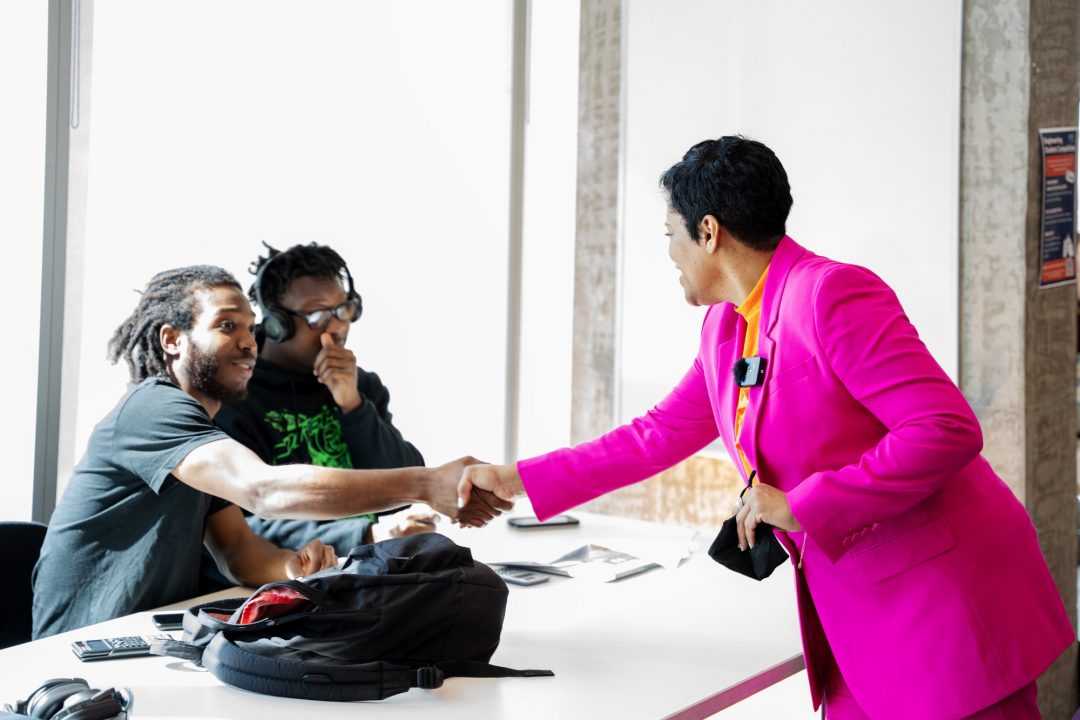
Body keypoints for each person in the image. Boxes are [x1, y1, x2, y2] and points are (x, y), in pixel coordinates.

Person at [458, 137, 1073, 719]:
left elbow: (944, 428)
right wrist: (511, 479)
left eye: (670, 235)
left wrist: (805, 504)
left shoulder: (832, 294)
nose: (669, 254)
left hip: (943, 613)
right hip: (860, 622)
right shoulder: (725, 329)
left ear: (709, 232)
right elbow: (654, 436)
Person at [33, 266, 504, 638]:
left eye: (251, 328)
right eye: (226, 325)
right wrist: (424, 485)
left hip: (146, 642)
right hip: (75, 657)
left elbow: (237, 549)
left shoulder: (201, 432)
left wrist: (291, 566)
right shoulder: (152, 408)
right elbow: (263, 490)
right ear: (172, 340)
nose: (247, 342)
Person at [214, 242, 432, 556]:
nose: (338, 327)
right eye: (317, 315)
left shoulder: (362, 386)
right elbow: (239, 529)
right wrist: (366, 533)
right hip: (288, 579)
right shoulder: (235, 399)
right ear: (277, 324)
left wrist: (353, 405)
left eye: (344, 309)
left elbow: (407, 485)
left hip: (371, 568)